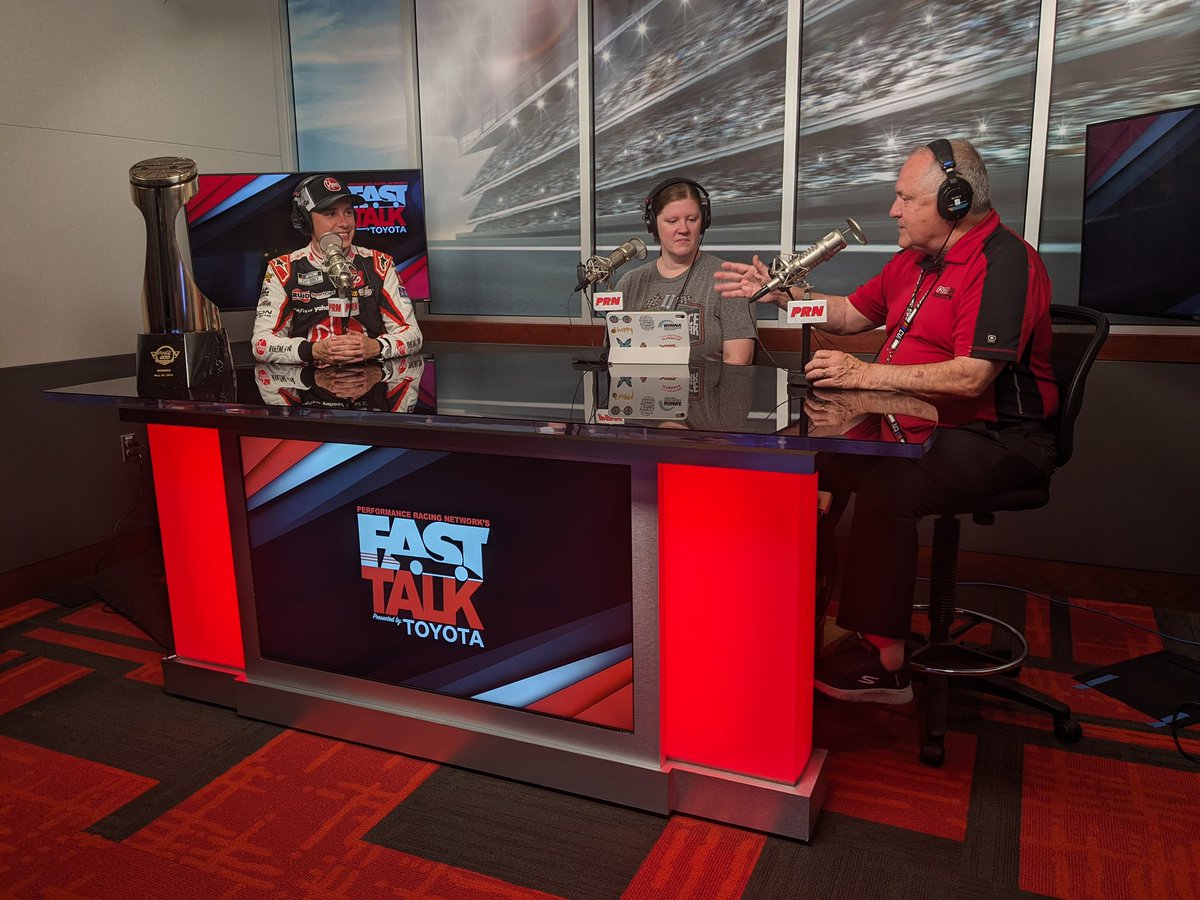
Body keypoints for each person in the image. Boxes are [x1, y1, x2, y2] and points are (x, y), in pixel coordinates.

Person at [714, 139, 1059, 705]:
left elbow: (973, 376)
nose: (893, 211)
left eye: (903, 198)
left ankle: (885, 659)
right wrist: (781, 296)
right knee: (812, 468)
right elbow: (848, 313)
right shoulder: (913, 262)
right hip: (914, 423)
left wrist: (863, 375)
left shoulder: (1005, 262)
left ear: (953, 201)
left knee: (886, 486)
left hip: (1000, 438)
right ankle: (798, 618)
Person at [253, 174, 423, 365]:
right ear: (305, 221)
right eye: (330, 214)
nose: (344, 223)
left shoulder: (379, 264)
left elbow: (413, 335)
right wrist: (313, 350)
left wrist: (377, 346)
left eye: (348, 212)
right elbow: (261, 344)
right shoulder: (282, 270)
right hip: (308, 385)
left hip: (371, 380)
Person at [615, 177, 756, 364]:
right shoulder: (630, 283)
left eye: (691, 219)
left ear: (704, 221)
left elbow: (739, 363)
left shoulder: (731, 282)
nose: (683, 229)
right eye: (672, 221)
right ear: (653, 225)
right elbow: (616, 357)